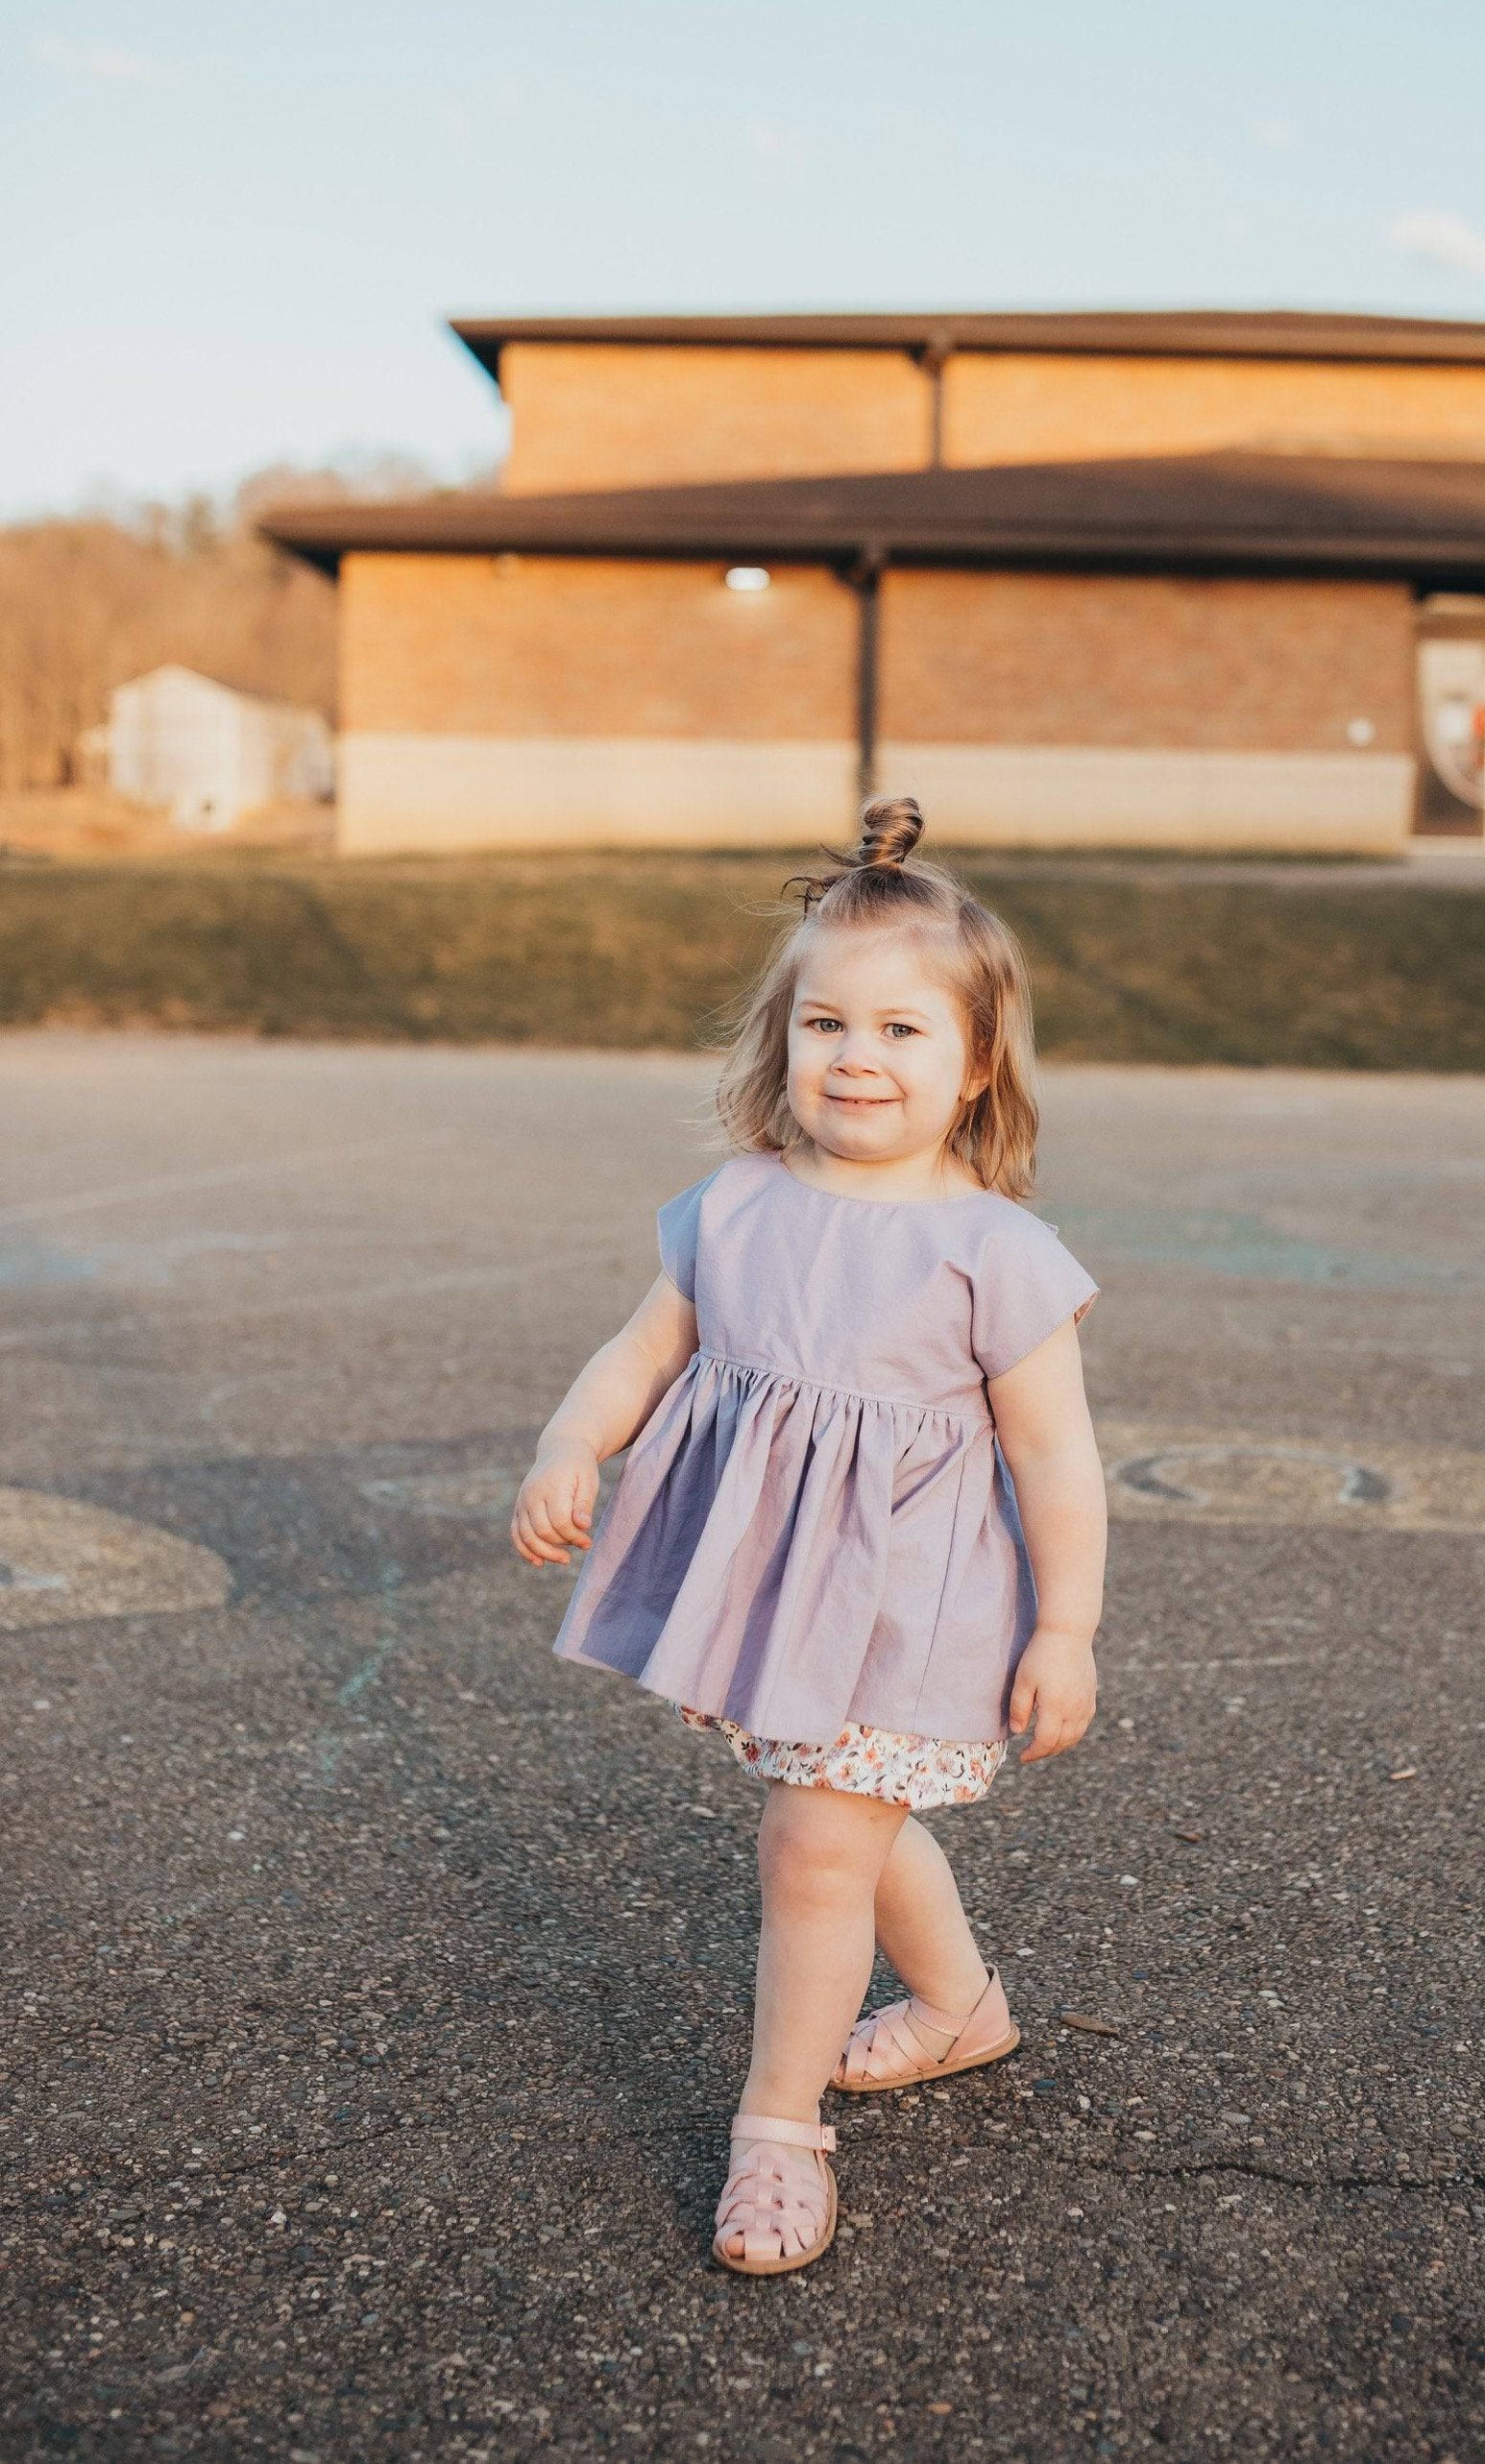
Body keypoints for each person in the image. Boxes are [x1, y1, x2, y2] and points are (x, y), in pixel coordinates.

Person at [510, 795, 1106, 2275]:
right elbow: (644, 1349)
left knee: (814, 1845)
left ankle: (776, 2127)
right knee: (844, 1808)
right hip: (774, 1593)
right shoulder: (738, 1206)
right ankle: (962, 2006)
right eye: (826, 1023)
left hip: (910, 1605)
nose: (856, 1056)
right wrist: (573, 1439)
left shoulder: (993, 1252)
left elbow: (1057, 1457)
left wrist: (1066, 1626)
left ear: (975, 1067)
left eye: (903, 1032)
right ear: (780, 1041)